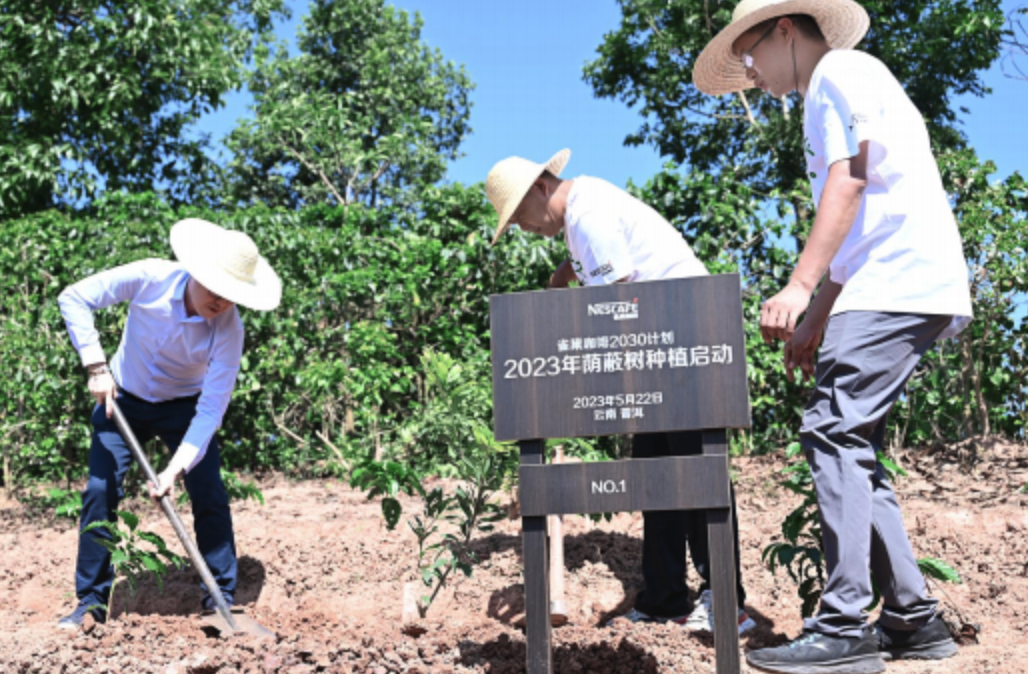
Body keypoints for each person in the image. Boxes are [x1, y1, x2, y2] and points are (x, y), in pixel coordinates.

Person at [693, 0, 971, 671]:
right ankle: (912, 619)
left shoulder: (839, 73)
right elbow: (859, 222)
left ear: (784, 29)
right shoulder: (844, 84)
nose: (749, 70)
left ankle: (845, 623)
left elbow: (849, 185)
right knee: (853, 445)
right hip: (892, 284)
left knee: (833, 433)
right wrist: (817, 316)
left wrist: (795, 287)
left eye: (749, 52)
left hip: (897, 283)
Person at [486, 148, 755, 635]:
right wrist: (559, 280)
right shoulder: (581, 216)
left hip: (682, 345)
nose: (524, 229)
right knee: (658, 478)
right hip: (661, 351)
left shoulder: (589, 215)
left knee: (696, 476)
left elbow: (617, 303)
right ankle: (664, 598)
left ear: (541, 190)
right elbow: (592, 268)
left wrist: (575, 379)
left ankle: (726, 602)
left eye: (520, 217)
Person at [56, 218, 282, 628]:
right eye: (216, 286)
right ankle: (90, 604)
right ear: (196, 271)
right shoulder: (150, 277)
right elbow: (73, 297)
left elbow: (211, 410)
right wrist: (95, 365)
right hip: (121, 398)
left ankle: (219, 601)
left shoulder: (229, 330)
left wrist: (174, 470)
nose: (221, 300)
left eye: (232, 295)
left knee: (209, 491)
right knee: (99, 490)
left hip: (184, 409)